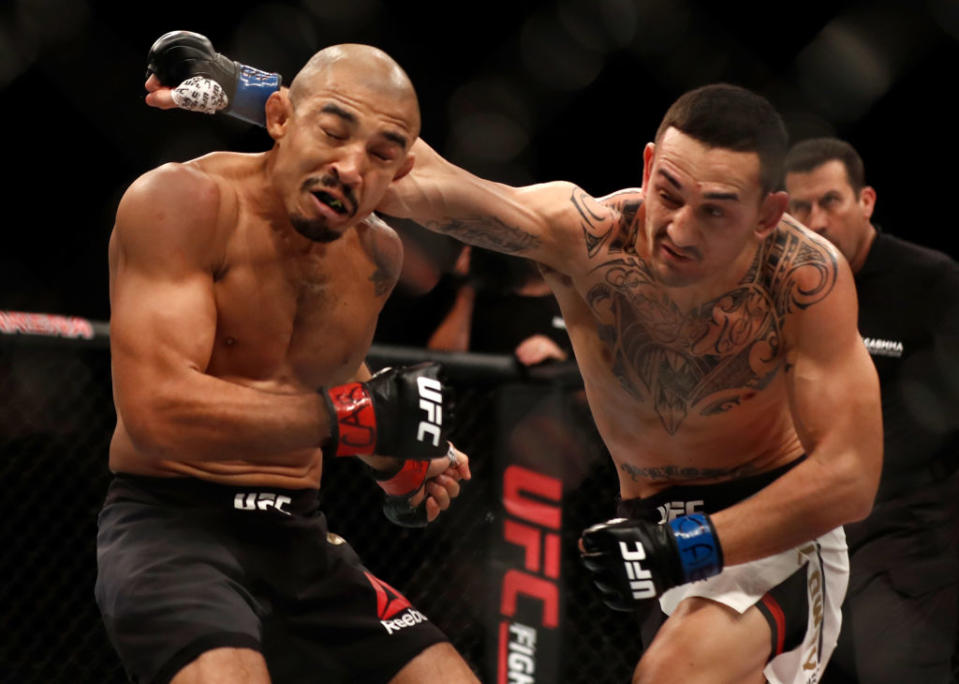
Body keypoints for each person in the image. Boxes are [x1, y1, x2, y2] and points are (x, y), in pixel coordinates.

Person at [148, 38, 883, 684]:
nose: (678, 228)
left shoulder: (802, 279)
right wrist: (249, 91)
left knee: (675, 673)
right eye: (669, 193)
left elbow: (848, 477)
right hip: (642, 526)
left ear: (766, 214)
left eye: (715, 210)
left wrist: (692, 545)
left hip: (772, 526)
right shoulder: (585, 237)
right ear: (650, 164)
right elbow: (414, 181)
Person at [97, 33, 481, 684]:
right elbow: (157, 411)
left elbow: (321, 380)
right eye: (332, 133)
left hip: (299, 536)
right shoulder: (182, 202)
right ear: (278, 119)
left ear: (400, 175)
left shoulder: (375, 257)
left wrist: (399, 457)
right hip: (174, 529)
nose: (352, 168)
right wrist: (359, 419)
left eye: (381, 154)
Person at [784, 137, 959, 684]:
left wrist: (848, 471)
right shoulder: (779, 290)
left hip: (909, 524)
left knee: (900, 668)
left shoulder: (932, 281)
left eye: (830, 201)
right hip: (803, 520)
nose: (817, 220)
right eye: (800, 207)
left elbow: (941, 412)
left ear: (866, 201)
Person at [426, 246, 572, 366]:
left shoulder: (572, 296)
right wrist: (467, 289)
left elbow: (586, 391)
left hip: (542, 395)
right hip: (477, 392)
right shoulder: (475, 289)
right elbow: (440, 361)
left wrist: (558, 356)